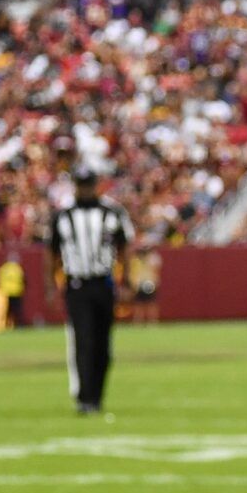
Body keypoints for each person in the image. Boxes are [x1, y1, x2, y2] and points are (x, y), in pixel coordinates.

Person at [49, 168, 135, 414]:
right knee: (83, 340)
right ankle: (85, 398)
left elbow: (124, 246)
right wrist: (50, 286)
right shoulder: (63, 215)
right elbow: (50, 252)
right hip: (76, 284)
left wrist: (126, 280)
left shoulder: (112, 212)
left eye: (89, 184)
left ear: (96, 185)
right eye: (81, 184)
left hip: (103, 283)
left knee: (102, 344)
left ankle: (96, 396)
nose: (85, 189)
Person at [129, 248, 162, 325]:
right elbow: (133, 273)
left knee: (151, 302)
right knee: (139, 303)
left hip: (149, 283)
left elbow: (155, 271)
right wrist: (134, 283)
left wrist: (155, 281)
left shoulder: (151, 260)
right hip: (139, 284)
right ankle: (138, 320)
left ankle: (153, 321)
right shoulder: (135, 261)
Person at [0, 253, 27, 329]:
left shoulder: (3, 268)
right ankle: (18, 324)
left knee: (8, 310)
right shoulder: (17, 268)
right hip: (16, 291)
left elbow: (0, 280)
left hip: (7, 292)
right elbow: (23, 279)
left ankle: (6, 324)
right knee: (17, 310)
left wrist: (2, 289)